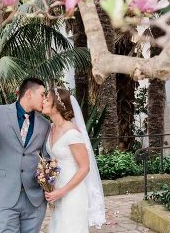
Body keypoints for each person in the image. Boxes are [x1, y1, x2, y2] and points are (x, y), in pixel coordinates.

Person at [0, 77, 50, 233]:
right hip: (4, 194)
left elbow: (46, 158)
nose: (45, 99)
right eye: (42, 94)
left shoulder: (45, 124)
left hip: (34, 199)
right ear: (29, 93)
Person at [42, 87, 106, 232]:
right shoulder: (51, 128)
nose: (43, 101)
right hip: (57, 191)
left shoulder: (72, 132)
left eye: (47, 99)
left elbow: (85, 167)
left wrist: (62, 191)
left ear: (57, 105)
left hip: (72, 193)